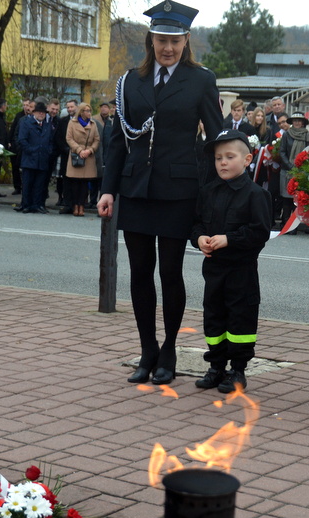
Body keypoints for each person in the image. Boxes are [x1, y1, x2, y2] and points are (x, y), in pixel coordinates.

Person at [98, 0, 222, 386]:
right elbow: (117, 140)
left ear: (186, 41)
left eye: (175, 41)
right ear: (150, 40)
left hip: (178, 190)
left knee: (170, 272)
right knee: (139, 272)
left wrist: (216, 189)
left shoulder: (201, 80)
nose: (168, 48)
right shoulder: (129, 82)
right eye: (161, 40)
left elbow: (215, 138)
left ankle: (169, 349)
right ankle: (147, 349)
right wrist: (108, 190)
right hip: (136, 188)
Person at [190, 129, 271, 392]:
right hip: (214, 270)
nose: (222, 163)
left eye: (229, 157)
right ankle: (216, 366)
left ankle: (237, 370)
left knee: (240, 319)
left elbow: (260, 232)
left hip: (241, 272)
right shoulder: (208, 191)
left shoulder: (255, 194)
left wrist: (230, 239)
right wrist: (199, 238)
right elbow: (196, 223)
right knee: (214, 317)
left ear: (247, 159)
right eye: (218, 158)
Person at [17, 101, 55, 214]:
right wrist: (31, 150)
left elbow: (51, 141)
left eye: (43, 112)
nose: (41, 114)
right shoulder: (26, 123)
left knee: (40, 184)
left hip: (42, 159)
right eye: (39, 112)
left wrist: (48, 151)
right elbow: (22, 140)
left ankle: (37, 204)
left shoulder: (47, 125)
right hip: (29, 159)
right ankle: (26, 205)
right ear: (34, 113)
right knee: (27, 184)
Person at [65, 102, 100, 217]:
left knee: (85, 184)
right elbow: (69, 138)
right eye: (87, 111)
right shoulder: (72, 123)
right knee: (75, 182)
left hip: (88, 156)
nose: (89, 113)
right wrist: (79, 150)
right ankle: (75, 205)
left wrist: (90, 150)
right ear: (81, 112)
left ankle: (82, 205)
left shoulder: (93, 124)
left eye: (90, 111)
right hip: (76, 155)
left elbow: (97, 140)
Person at [278, 112, 309, 223]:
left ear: (303, 123)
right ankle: (285, 222)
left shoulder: (308, 136)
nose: (297, 122)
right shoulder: (286, 135)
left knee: (298, 199)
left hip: (301, 171)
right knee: (286, 198)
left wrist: (302, 166)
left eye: (299, 121)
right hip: (287, 170)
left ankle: (294, 224)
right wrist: (290, 165)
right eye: (295, 120)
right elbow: (282, 152)